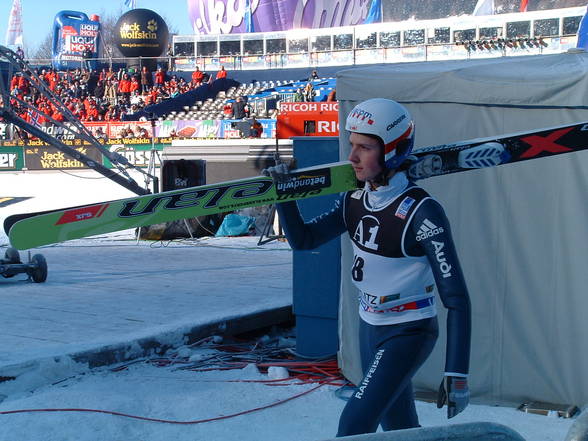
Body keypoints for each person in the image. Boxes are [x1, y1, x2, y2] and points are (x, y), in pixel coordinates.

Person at [265, 98, 471, 437]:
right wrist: (283, 195)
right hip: (370, 327)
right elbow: (304, 241)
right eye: (352, 145)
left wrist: (457, 372)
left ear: (392, 151)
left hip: (409, 331)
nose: (352, 158)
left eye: (365, 148)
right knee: (399, 428)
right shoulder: (354, 199)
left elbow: (457, 298)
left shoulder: (423, 213)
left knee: (354, 424)